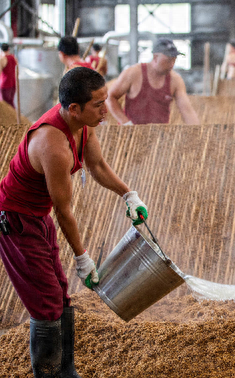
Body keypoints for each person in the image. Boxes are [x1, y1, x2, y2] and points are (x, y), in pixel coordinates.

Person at [0, 67, 149, 377]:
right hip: (16, 221)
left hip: (37, 217)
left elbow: (97, 166)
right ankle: (48, 374)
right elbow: (64, 210)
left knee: (59, 294)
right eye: (98, 104)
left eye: (105, 100)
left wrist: (128, 195)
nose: (105, 110)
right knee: (47, 303)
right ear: (73, 109)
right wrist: (82, 259)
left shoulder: (84, 124)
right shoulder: (52, 145)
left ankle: (65, 372)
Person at [106, 38, 199, 125]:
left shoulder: (175, 80)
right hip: (132, 135)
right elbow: (110, 97)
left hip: (160, 138)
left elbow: (187, 111)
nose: (172, 64)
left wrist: (199, 133)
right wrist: (126, 123)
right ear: (155, 57)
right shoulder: (133, 73)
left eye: (174, 60)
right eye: (168, 60)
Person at [0, 43, 17, 108]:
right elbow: (17, 70)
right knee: (11, 103)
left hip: (5, 84)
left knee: (5, 105)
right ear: (8, 49)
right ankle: (15, 117)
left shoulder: (2, 59)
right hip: (13, 84)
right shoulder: (13, 57)